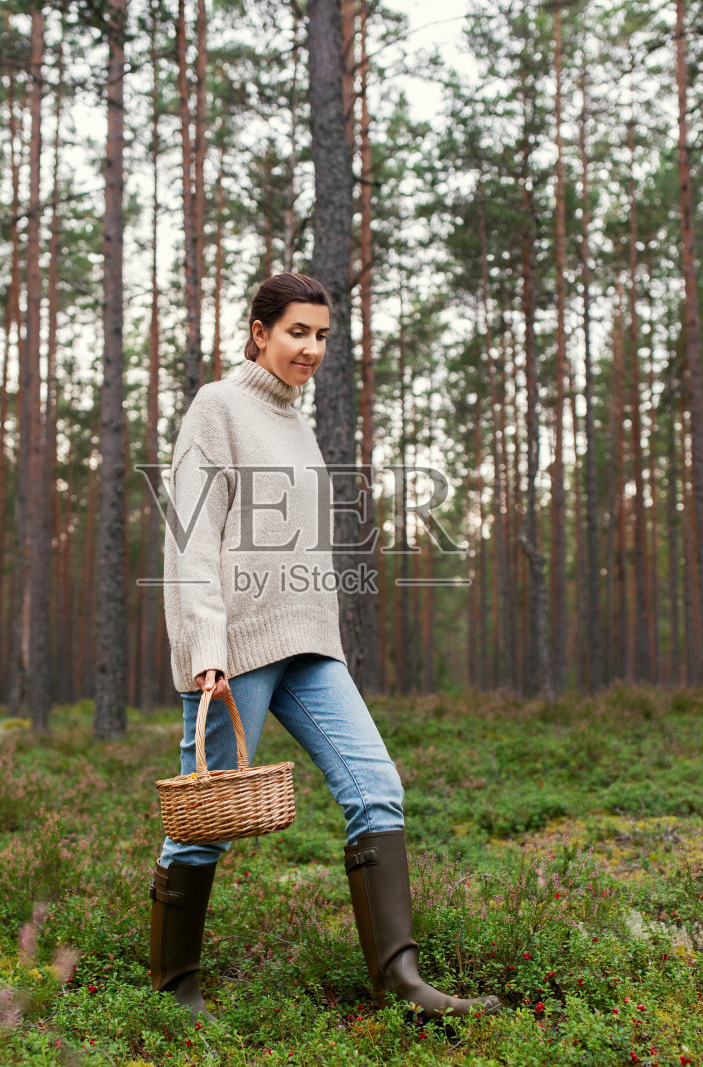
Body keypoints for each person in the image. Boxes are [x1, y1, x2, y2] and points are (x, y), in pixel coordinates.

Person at [148, 272, 502, 1025]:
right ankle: (174, 988)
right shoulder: (218, 407)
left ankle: (401, 983)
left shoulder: (298, 421)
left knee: (377, 785)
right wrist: (204, 642)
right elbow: (192, 539)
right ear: (259, 332)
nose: (310, 348)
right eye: (296, 332)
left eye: (321, 336)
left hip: (310, 642)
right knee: (204, 819)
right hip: (235, 646)